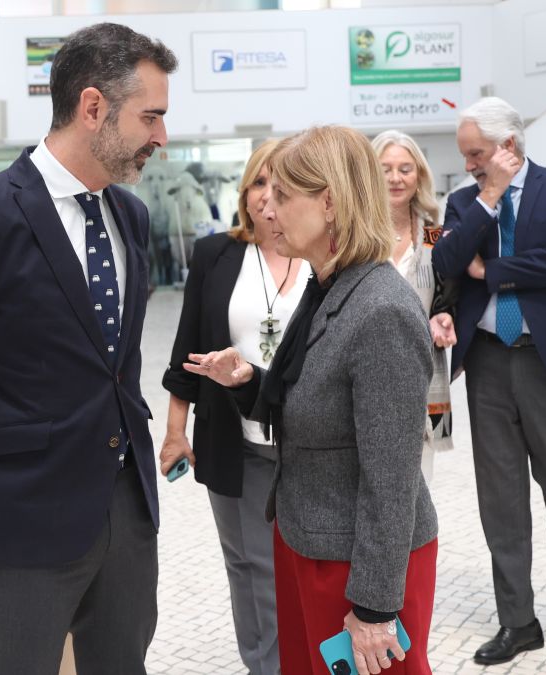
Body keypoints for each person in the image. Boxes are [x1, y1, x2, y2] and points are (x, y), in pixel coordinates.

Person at [0, 23, 177, 674]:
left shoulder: (129, 216)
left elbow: (114, 365)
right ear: (94, 106)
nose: (161, 136)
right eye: (151, 116)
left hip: (125, 510)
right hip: (15, 516)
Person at [185, 125, 438, 675]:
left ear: (328, 202)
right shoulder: (329, 286)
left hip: (358, 567)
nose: (266, 209)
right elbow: (309, 399)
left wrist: (373, 609)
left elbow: (391, 476)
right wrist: (250, 381)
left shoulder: (381, 311)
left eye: (281, 195)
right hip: (310, 540)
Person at [431, 97, 546, 665]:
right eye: (465, 155)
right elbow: (446, 264)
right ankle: (518, 622)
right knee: (500, 499)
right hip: (486, 362)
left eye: (476, 153)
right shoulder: (467, 201)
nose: (468, 163)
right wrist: (488, 198)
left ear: (507, 146)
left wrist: (493, 271)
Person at [160, 139, 309, 675]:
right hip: (233, 438)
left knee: (302, 570)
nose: (268, 199)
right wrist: (177, 430)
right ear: (244, 191)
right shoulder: (216, 254)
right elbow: (187, 352)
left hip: (308, 442)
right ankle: (264, 665)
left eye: (283, 185)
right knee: (249, 566)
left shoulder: (325, 252)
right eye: (258, 183)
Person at [371, 130, 459, 484]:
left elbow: (446, 295)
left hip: (421, 374)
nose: (395, 178)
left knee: (419, 481)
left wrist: (444, 315)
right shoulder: (358, 234)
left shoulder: (434, 234)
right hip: (368, 369)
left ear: (419, 175)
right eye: (385, 168)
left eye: (405, 169)